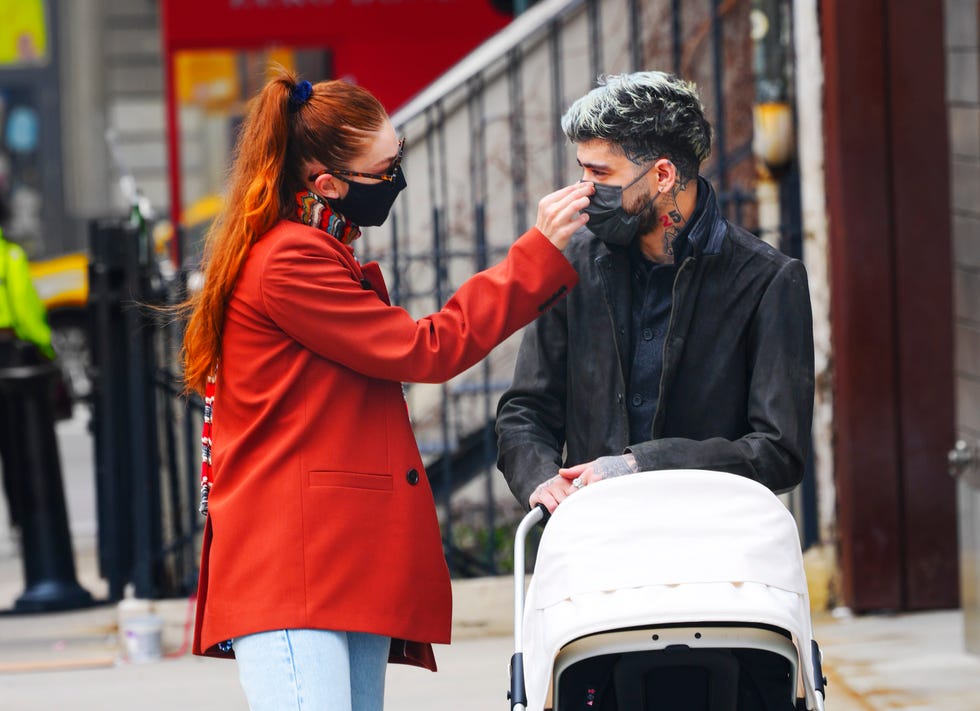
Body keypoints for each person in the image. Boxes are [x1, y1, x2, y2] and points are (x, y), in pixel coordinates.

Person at [180, 69, 592, 711]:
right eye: (385, 169)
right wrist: (534, 257)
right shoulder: (291, 259)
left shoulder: (310, 247)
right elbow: (425, 349)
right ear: (326, 185)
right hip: (293, 567)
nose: (396, 179)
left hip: (333, 560)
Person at [496, 70, 814, 513]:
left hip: (714, 552)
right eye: (581, 170)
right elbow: (526, 409)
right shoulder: (571, 263)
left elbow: (779, 452)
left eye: (599, 172)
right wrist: (541, 479)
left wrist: (643, 464)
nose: (583, 190)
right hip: (594, 538)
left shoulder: (768, 280)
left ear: (663, 175)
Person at [0, 192, 57, 531]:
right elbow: (26, 311)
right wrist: (46, 348)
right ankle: (23, 520)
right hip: (8, 355)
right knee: (15, 445)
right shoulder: (10, 256)